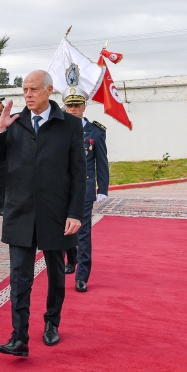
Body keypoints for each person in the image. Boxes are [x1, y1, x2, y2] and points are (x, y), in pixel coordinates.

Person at [0, 70, 85, 357]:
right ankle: (19, 336)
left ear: (48, 90)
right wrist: (0, 132)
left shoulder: (69, 124)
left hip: (55, 212)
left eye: (33, 89)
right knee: (19, 277)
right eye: (24, 90)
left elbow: (78, 172)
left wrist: (75, 213)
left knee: (56, 273)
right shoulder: (15, 123)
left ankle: (51, 322)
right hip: (20, 211)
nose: (28, 95)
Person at [62, 88, 109, 292]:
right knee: (63, 229)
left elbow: (101, 161)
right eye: (69, 105)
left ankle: (82, 275)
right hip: (62, 188)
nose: (73, 109)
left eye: (77, 105)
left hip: (85, 189)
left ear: (84, 107)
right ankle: (71, 259)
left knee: (82, 232)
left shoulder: (95, 131)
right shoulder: (58, 129)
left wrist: (102, 188)